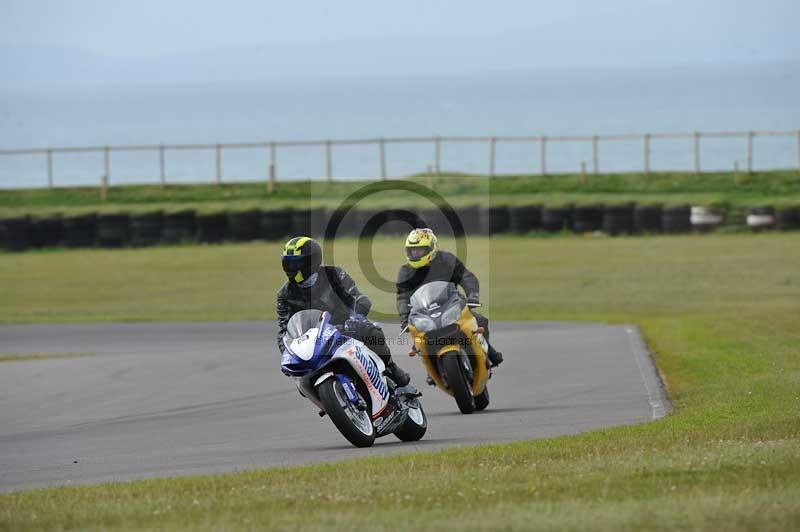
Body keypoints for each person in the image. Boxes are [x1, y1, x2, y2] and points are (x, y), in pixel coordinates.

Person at [277, 236, 411, 387]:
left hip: (346, 328)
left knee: (373, 333)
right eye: (287, 263)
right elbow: (284, 330)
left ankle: (391, 368)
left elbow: (358, 298)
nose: (290, 268)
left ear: (311, 261)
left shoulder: (333, 274)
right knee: (302, 382)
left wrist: (356, 317)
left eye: (296, 263)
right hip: (314, 343)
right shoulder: (285, 294)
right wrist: (288, 354)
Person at [396, 228, 503, 367]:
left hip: (452, 304)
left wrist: (473, 296)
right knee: (419, 339)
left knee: (480, 320)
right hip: (425, 313)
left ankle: (488, 353)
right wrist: (404, 318)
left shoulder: (446, 260)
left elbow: (466, 277)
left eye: (420, 250)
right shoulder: (405, 272)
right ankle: (432, 366)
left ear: (431, 248)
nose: (415, 253)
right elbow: (402, 297)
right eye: (412, 250)